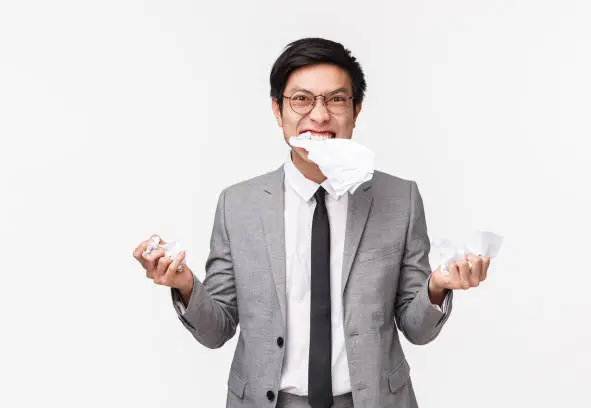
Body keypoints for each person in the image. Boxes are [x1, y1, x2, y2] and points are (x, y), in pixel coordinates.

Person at [133, 37, 491, 408]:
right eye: (302, 99)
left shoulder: (400, 199)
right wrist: (186, 285)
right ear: (277, 109)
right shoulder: (237, 205)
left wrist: (437, 286)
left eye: (336, 100)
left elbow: (416, 328)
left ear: (356, 110)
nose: (319, 116)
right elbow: (217, 329)